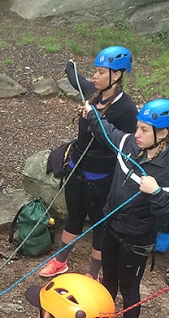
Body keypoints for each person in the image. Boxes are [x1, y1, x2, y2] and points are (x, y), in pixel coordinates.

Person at [84, 98, 169, 318]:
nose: (136, 133)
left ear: (162, 133)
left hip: (136, 238)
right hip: (112, 226)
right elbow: (107, 132)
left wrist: (156, 193)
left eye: (144, 130)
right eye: (137, 127)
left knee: (130, 289)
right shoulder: (130, 144)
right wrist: (92, 113)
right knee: (108, 280)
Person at [39, 46, 138, 278]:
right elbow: (77, 79)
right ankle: (61, 261)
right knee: (74, 215)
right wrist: (69, 66)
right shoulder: (92, 91)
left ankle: (93, 273)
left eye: (101, 72)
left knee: (98, 224)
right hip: (77, 168)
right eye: (95, 70)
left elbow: (128, 145)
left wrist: (95, 121)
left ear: (117, 75)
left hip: (102, 176)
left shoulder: (126, 108)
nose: (95, 76)